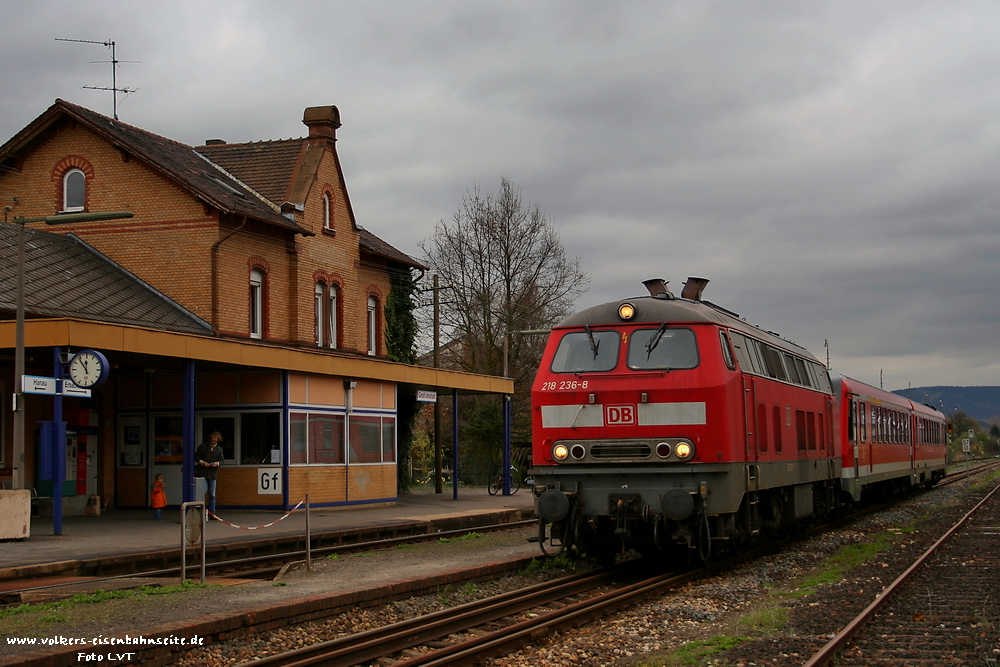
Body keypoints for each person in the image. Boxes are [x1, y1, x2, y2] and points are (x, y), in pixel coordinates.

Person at [195, 431, 225, 518]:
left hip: (212, 474)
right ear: (210, 439)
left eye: (215, 440)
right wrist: (202, 462)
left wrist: (217, 464)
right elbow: (196, 456)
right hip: (202, 473)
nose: (214, 442)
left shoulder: (219, 449)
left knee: (212, 494)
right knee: (202, 493)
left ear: (218, 440)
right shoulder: (203, 446)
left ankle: (212, 513)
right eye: (212, 440)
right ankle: (201, 513)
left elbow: (222, 460)